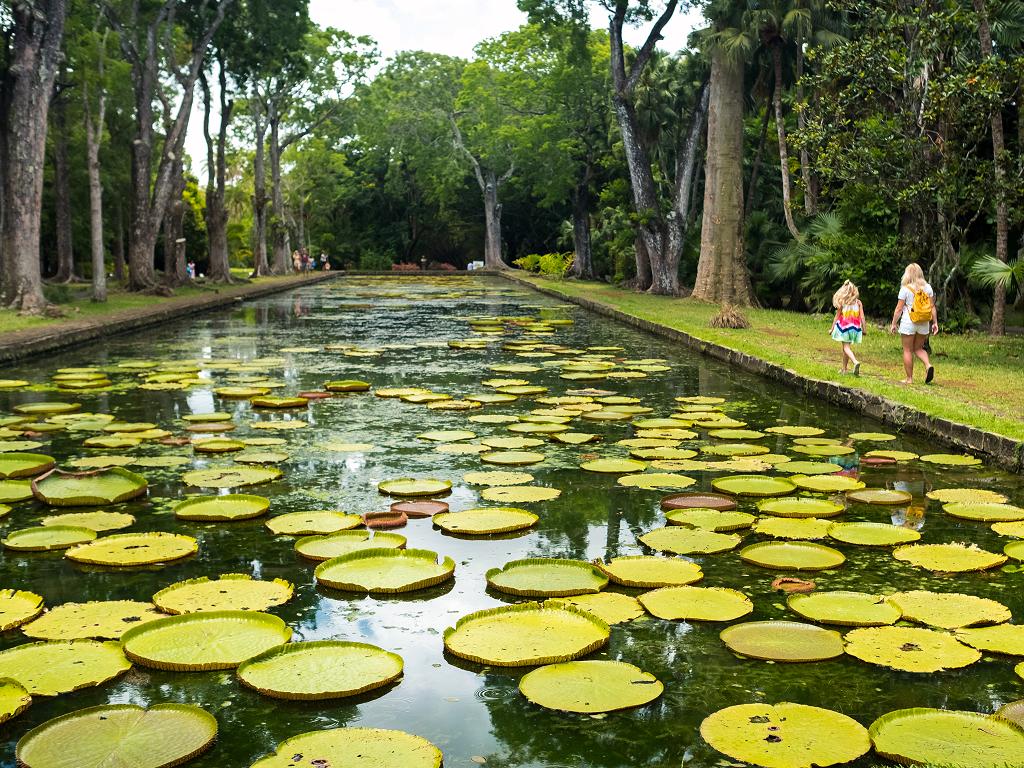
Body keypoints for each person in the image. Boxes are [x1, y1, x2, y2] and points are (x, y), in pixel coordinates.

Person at [889, 262, 938, 384]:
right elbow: (932, 307)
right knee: (919, 348)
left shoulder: (905, 289)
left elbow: (899, 309)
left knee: (907, 350)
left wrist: (894, 324)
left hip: (908, 322)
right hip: (924, 322)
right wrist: (935, 322)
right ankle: (927, 365)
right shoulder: (928, 288)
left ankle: (909, 378)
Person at [830, 280, 865, 376]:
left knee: (845, 347)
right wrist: (864, 329)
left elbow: (837, 316)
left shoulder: (842, 302)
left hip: (844, 328)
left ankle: (855, 362)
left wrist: (832, 328)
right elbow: (862, 317)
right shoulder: (858, 302)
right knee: (846, 348)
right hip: (854, 328)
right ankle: (844, 369)